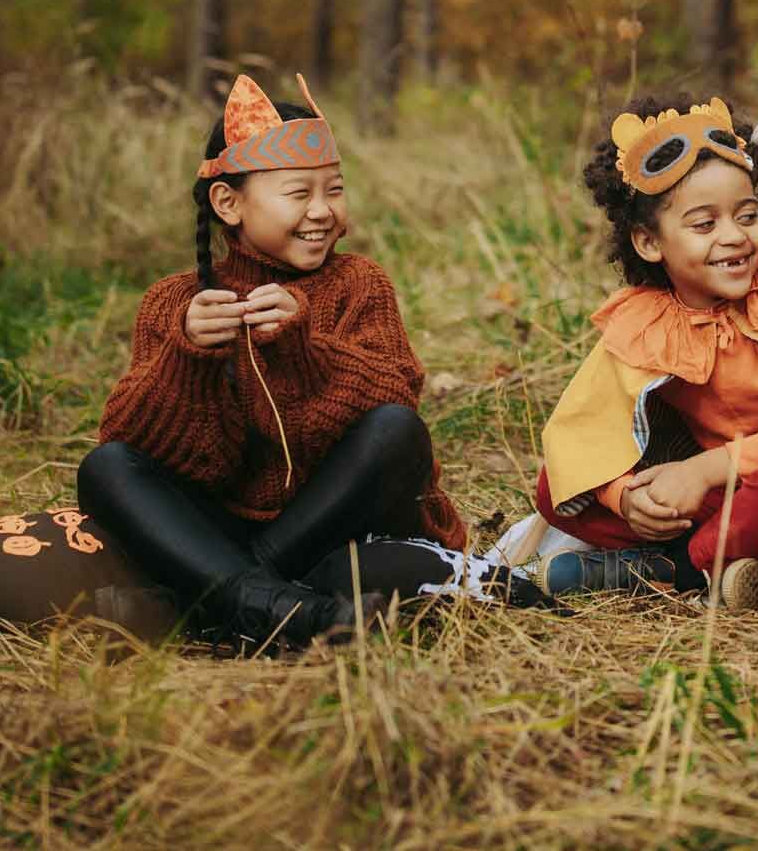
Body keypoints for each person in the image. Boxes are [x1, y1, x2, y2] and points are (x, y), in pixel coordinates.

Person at [76, 74, 489, 651]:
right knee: (107, 468)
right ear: (229, 203)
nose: (323, 211)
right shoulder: (175, 303)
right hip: (220, 523)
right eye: (299, 194)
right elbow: (141, 443)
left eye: (335, 190)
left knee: (397, 429)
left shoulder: (359, 285)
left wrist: (305, 349)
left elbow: (395, 404)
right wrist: (186, 357)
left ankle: (225, 600)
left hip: (331, 528)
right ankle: (282, 604)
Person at [528, 95, 758, 610]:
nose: (735, 237)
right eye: (704, 224)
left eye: (747, 215)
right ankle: (718, 560)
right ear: (649, 242)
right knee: (557, 479)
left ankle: (677, 569)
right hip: (713, 501)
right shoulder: (649, 321)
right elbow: (584, 433)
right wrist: (625, 496)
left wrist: (707, 469)